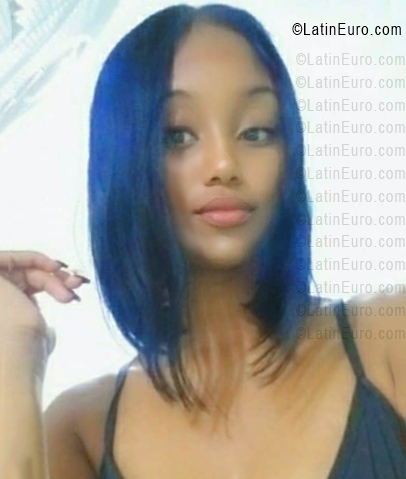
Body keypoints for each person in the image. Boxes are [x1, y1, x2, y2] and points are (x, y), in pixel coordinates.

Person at [1, 4, 406, 479]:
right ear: (124, 161)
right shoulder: (80, 430)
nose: (224, 164)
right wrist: (14, 354)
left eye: (256, 131)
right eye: (178, 135)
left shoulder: (389, 336)